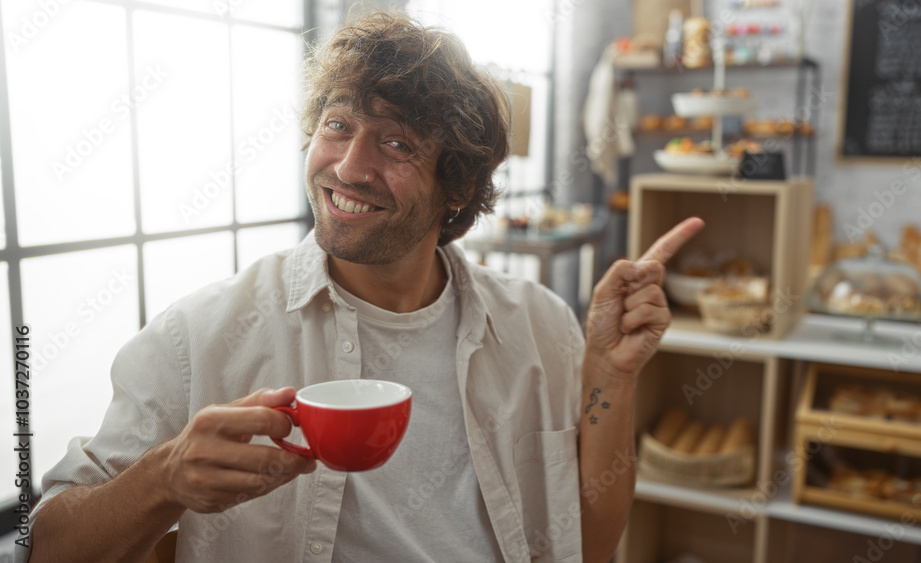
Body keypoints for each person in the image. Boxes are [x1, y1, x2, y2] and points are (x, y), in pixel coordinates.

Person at [20, 11, 703, 563]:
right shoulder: (197, 337)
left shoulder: (538, 325)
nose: (349, 167)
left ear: (458, 186)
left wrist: (610, 372)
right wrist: (162, 479)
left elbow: (588, 544)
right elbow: (44, 547)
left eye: (398, 144)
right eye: (338, 125)